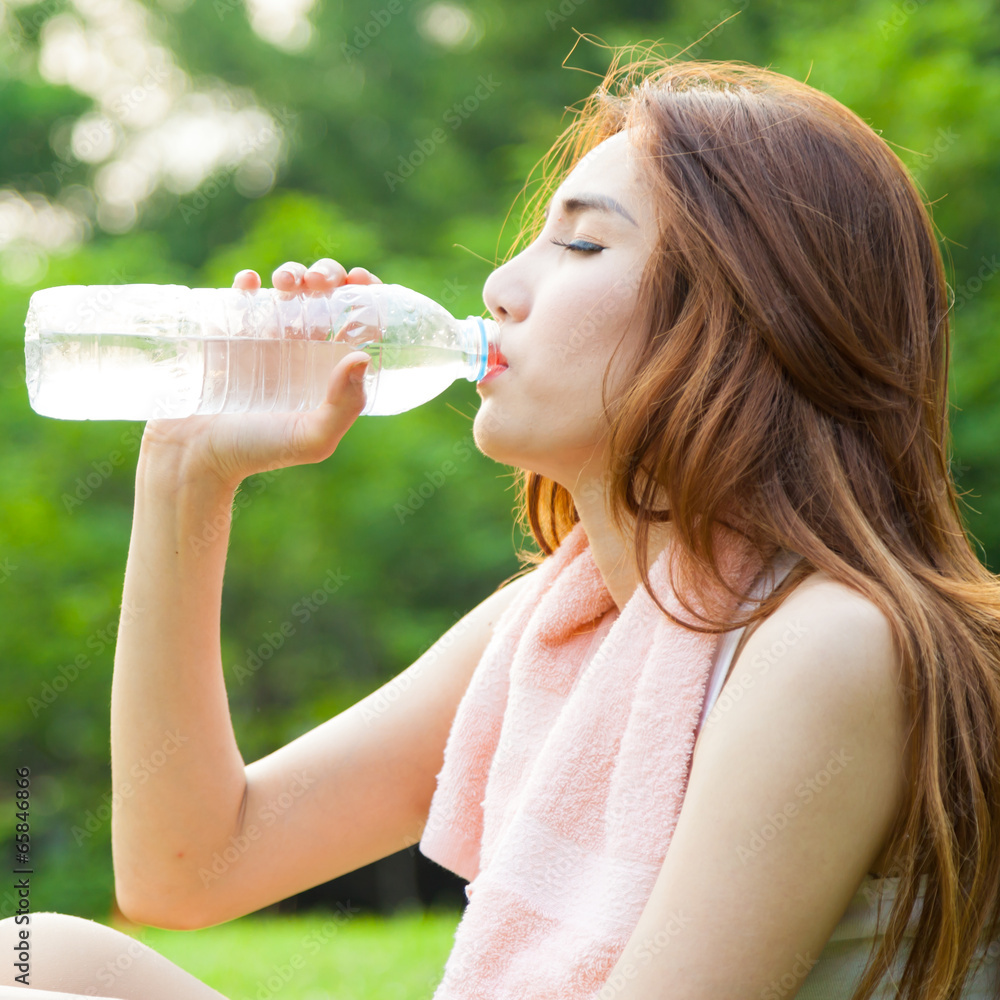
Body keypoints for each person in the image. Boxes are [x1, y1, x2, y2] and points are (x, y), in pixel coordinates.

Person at [5, 52, 1000, 1000]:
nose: (499, 285)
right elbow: (186, 866)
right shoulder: (567, 624)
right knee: (38, 947)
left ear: (745, 315)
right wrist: (185, 472)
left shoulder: (829, 643)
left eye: (578, 242)